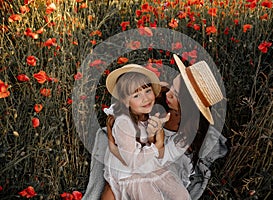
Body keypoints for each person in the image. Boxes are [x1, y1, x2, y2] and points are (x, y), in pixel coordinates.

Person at [82, 55, 227, 200]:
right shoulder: (158, 96)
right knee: (113, 188)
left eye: (175, 94)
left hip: (157, 159)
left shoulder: (186, 135)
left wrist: (155, 140)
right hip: (134, 151)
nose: (168, 93)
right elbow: (128, 105)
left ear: (188, 105)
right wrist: (112, 130)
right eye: (173, 86)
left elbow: (163, 159)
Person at [102, 63, 191, 200]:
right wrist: (155, 144)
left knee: (181, 195)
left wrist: (154, 138)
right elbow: (132, 161)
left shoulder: (146, 111)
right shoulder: (125, 121)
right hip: (129, 170)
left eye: (148, 91)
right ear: (125, 102)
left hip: (150, 162)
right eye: (136, 95)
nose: (145, 98)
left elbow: (157, 152)